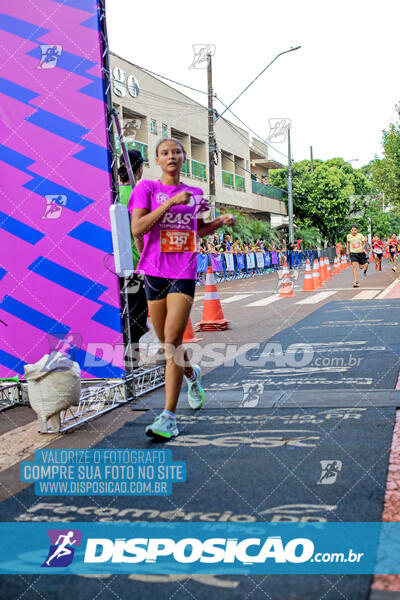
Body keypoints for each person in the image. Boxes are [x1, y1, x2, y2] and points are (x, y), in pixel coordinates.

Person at [129, 138, 235, 439]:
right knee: (168, 345)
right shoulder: (146, 189)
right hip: (153, 271)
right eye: (165, 153)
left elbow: (197, 230)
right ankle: (192, 374)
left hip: (183, 271)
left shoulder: (196, 194)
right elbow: (138, 228)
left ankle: (168, 418)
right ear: (158, 160)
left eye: (176, 152)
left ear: (184, 158)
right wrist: (168, 203)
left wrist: (219, 223)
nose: (171, 156)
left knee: (174, 338)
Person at [118, 150, 148, 368]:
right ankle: (132, 361)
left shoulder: (113, 193)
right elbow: (138, 233)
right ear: (139, 168)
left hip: (112, 264)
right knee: (136, 313)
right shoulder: (139, 194)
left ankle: (121, 359)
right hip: (135, 265)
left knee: (120, 311)